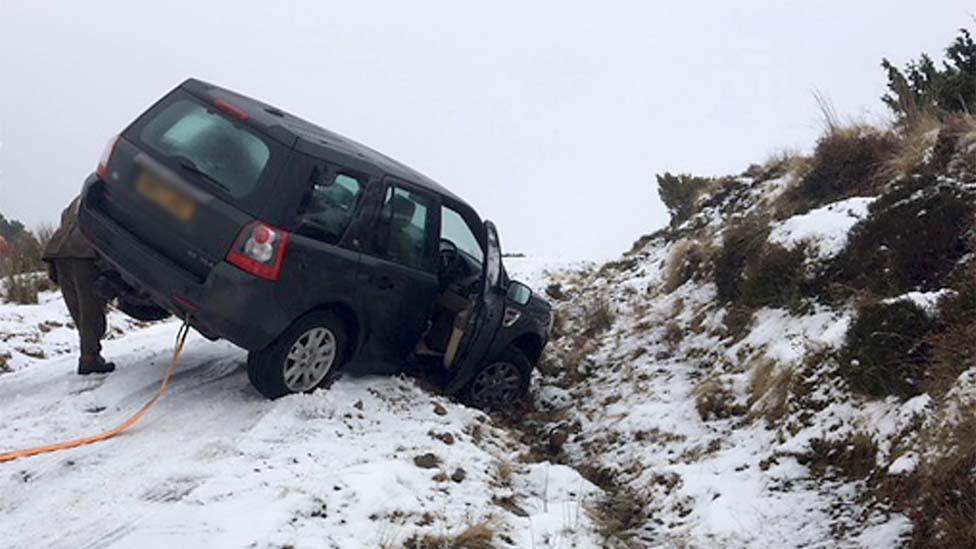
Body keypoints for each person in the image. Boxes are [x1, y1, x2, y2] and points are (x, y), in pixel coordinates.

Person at [42, 196, 115, 375]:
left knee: (78, 307)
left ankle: (89, 353)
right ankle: (89, 358)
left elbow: (65, 217)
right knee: (90, 307)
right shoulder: (112, 192)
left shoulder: (82, 195)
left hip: (59, 250)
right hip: (83, 252)